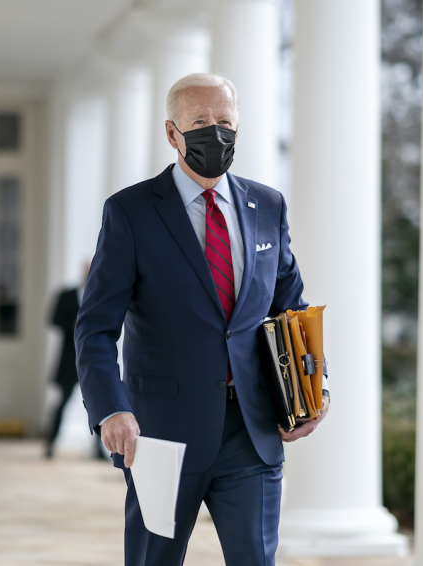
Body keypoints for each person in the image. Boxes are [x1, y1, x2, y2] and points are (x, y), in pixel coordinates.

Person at [74, 73, 328, 566]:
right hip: (161, 435)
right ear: (172, 134)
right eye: (201, 122)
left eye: (225, 122)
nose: (216, 132)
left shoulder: (267, 206)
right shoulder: (130, 212)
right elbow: (96, 327)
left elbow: (289, 306)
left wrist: (313, 388)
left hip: (252, 433)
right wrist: (110, 409)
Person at [45, 264, 106, 459]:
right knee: (62, 401)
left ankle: (98, 448)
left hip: (94, 357)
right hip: (69, 357)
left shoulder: (102, 295)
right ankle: (50, 443)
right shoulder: (66, 295)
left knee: (97, 404)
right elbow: (53, 319)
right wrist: (74, 325)